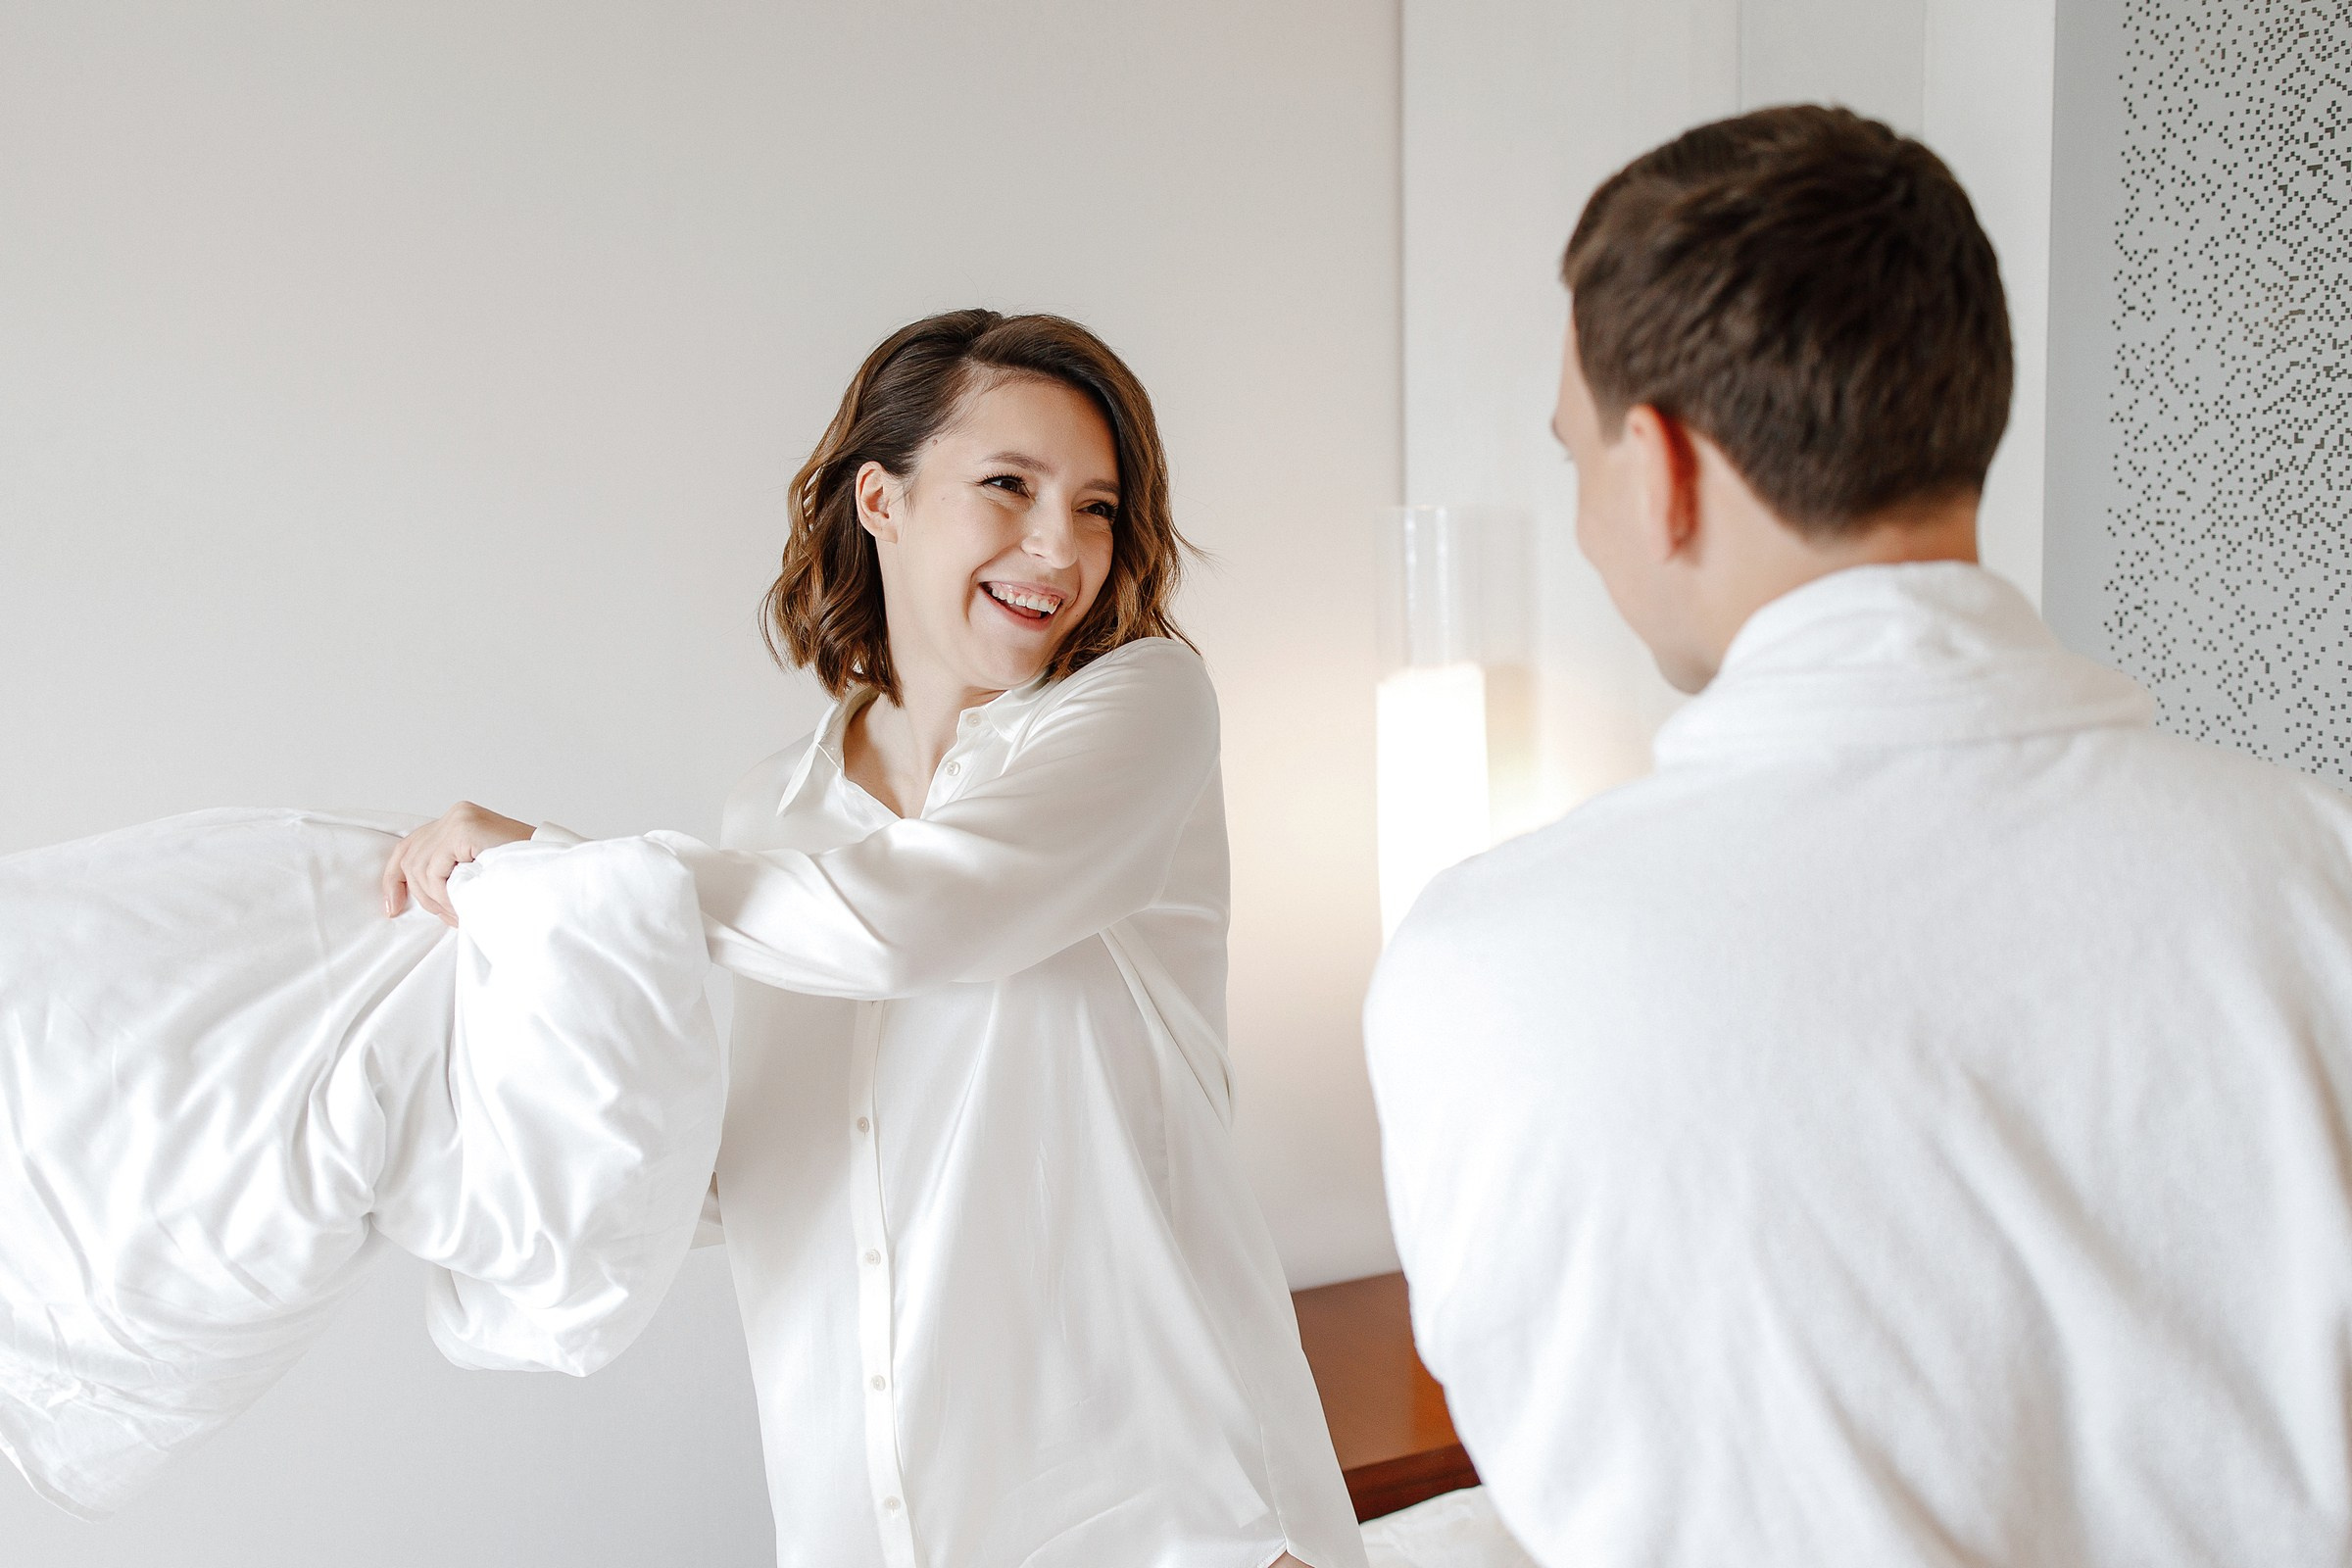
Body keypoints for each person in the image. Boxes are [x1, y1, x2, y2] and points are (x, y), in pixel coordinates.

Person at [1364, 106, 2352, 1567]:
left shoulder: (1478, 966)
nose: (1585, 523)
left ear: (1662, 472)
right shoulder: (2321, 871)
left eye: (1577, 461)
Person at [385, 310, 1362, 1568]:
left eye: (1099, 507)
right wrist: (472, 1080)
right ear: (880, 499)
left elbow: (916, 917)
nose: (1059, 546)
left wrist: (569, 880)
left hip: (1173, 1513)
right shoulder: (767, 818)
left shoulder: (1140, 712)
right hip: (886, 1525)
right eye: (1009, 485)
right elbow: (761, 1160)